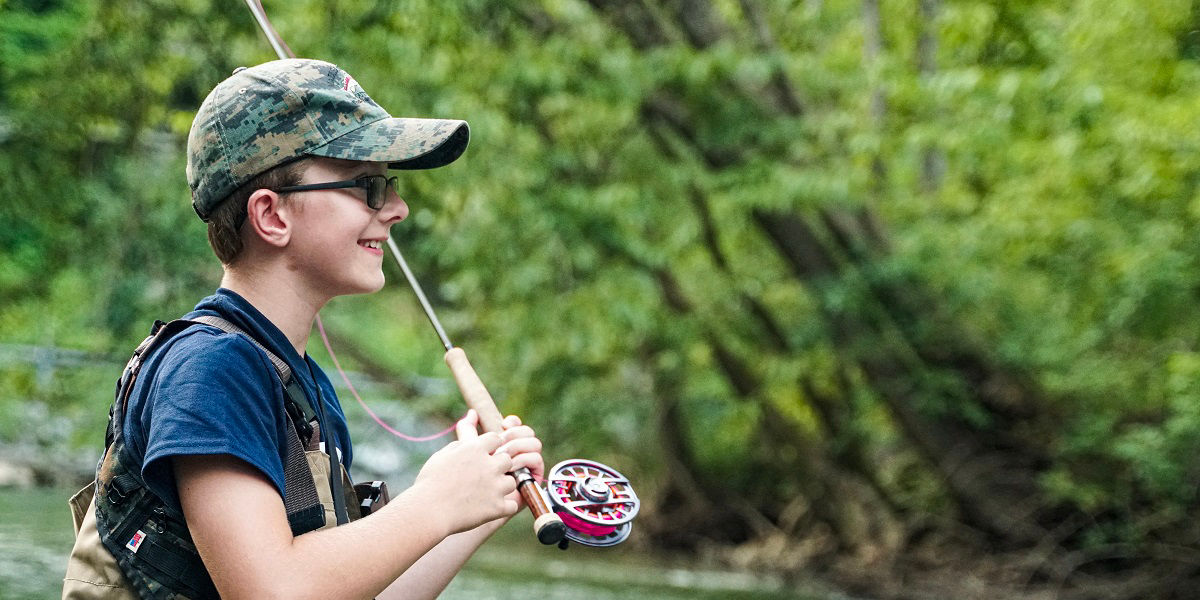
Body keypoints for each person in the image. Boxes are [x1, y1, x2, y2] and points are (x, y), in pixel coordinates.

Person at [63, 58, 543, 599]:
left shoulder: (302, 386)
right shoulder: (211, 369)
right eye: (368, 186)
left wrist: (477, 504)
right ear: (271, 216)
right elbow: (272, 590)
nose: (399, 208)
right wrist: (434, 502)